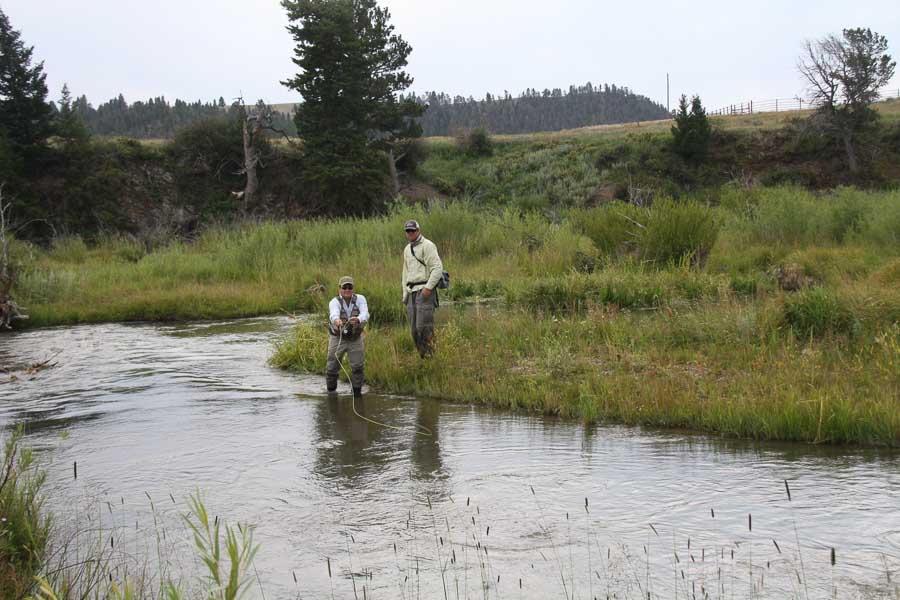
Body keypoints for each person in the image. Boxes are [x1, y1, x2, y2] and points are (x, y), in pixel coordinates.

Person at [401, 219, 444, 358]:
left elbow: (437, 268)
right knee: (414, 331)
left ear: (418, 230)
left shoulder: (428, 245)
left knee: (424, 327)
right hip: (411, 291)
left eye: (413, 230)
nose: (410, 233)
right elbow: (405, 273)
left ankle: (432, 357)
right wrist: (404, 293)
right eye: (408, 231)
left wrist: (428, 288)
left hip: (424, 290)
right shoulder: (407, 249)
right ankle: (423, 358)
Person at [326, 276, 369, 397]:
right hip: (337, 338)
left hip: (355, 338)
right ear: (339, 289)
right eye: (344, 287)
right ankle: (331, 393)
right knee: (332, 366)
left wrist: (358, 319)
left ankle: (357, 393)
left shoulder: (360, 298)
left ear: (353, 288)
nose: (347, 289)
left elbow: (365, 313)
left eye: (350, 287)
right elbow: (333, 314)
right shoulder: (334, 302)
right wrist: (337, 321)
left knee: (358, 367)